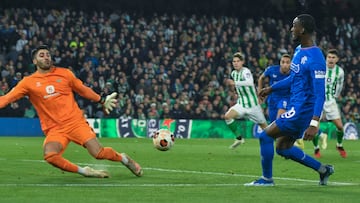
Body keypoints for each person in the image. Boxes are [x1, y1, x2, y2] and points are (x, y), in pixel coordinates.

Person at [0, 45, 143, 178]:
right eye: (42, 55)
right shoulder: (28, 82)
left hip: (75, 123)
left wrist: (101, 100)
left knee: (98, 153)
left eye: (48, 55)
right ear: (35, 61)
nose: (46, 57)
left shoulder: (65, 74)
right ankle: (85, 171)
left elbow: (82, 89)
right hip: (55, 129)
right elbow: (6, 99)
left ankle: (123, 158)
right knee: (50, 156)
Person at [245, 14, 334, 186]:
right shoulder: (299, 51)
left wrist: (314, 124)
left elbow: (320, 93)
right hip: (296, 106)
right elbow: (293, 79)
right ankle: (323, 170)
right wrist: (272, 88)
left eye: (294, 26)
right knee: (283, 148)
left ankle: (266, 180)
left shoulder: (316, 58)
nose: (291, 29)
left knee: (265, 136)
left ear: (303, 30)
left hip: (301, 111)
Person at [258, 54, 305, 149]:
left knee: (279, 120)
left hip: (286, 99)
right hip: (272, 100)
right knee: (274, 125)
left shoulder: (294, 73)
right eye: (283, 62)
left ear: (291, 64)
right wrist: (259, 92)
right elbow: (261, 78)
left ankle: (293, 142)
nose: (285, 65)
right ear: (280, 63)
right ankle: (289, 143)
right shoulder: (272, 70)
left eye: (287, 62)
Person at [225, 52, 268, 149]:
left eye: (238, 61)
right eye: (234, 61)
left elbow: (249, 83)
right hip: (241, 104)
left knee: (267, 129)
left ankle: (284, 144)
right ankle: (239, 138)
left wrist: (234, 83)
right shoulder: (233, 73)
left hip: (253, 106)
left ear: (242, 62)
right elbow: (238, 88)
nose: (235, 63)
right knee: (227, 116)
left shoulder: (246, 71)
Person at [313, 49, 346, 158]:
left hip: (330, 101)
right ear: (326, 58)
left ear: (337, 59)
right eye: (329, 57)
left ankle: (339, 145)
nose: (331, 59)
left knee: (340, 127)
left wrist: (335, 96)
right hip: (318, 101)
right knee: (314, 127)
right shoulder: (320, 67)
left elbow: (339, 86)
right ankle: (316, 149)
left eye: (333, 57)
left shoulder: (340, 72)